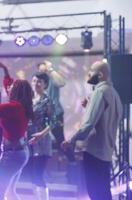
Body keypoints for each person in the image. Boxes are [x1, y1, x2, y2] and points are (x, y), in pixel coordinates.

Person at [61, 60, 123, 200]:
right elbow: (108, 119)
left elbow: (88, 123)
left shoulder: (99, 91)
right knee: (104, 192)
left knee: (95, 192)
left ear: (100, 75)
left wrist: (71, 139)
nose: (89, 74)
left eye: (91, 71)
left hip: (94, 152)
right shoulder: (115, 94)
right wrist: (89, 106)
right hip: (106, 151)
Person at [0, 59, 33, 200]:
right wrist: (5, 70)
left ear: (15, 91)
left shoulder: (14, 107)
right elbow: (9, 84)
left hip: (12, 155)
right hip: (21, 152)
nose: (8, 86)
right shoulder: (23, 105)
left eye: (12, 86)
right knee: (10, 193)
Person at [37, 61, 76, 162]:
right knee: (41, 140)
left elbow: (62, 83)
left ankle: (72, 162)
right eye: (41, 71)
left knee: (60, 140)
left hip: (55, 114)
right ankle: (41, 172)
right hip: (42, 115)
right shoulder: (38, 83)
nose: (43, 72)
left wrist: (51, 70)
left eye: (45, 70)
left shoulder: (51, 80)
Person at [27, 72, 54, 200]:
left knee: (38, 174)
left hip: (42, 143)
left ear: (45, 84)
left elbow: (52, 122)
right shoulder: (28, 99)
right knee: (31, 175)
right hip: (29, 142)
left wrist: (41, 134)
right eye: (34, 80)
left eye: (39, 81)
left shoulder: (47, 100)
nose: (36, 83)